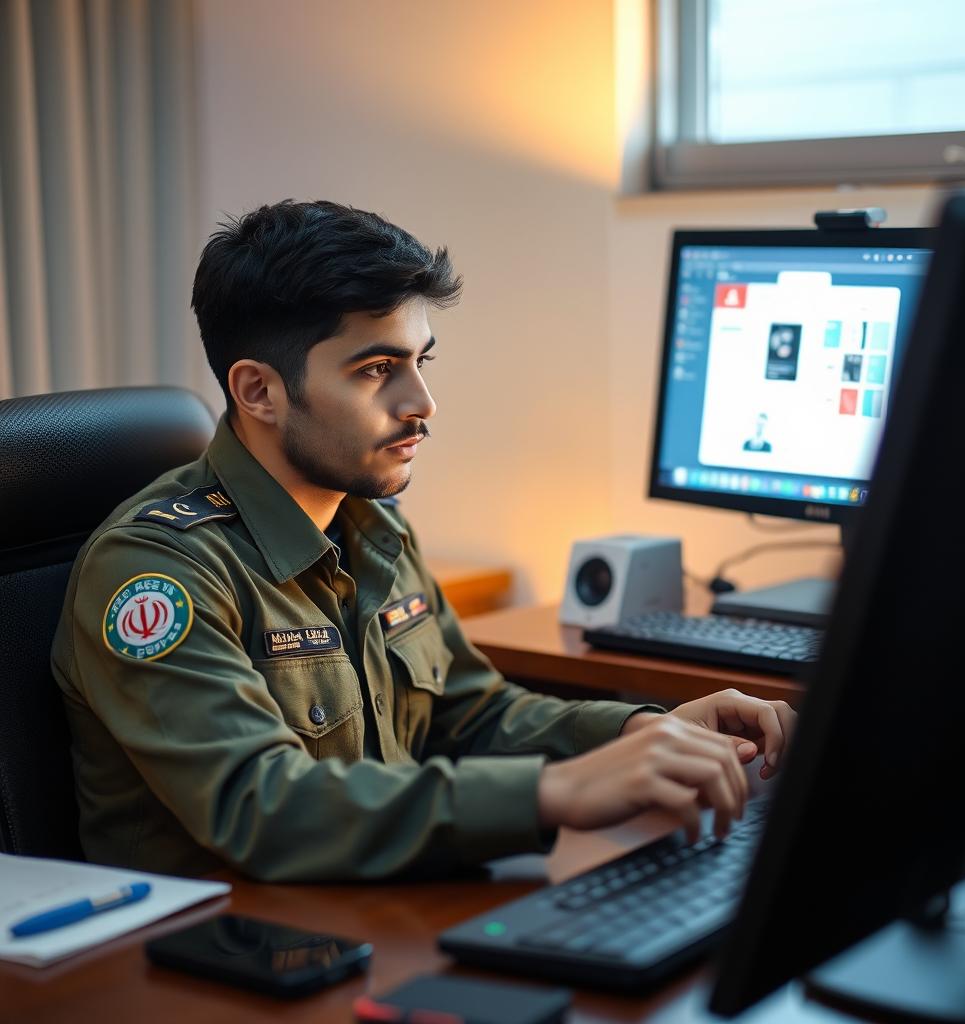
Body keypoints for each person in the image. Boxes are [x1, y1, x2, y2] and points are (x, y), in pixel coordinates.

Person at [51, 201, 797, 882]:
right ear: (259, 392)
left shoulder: (370, 523)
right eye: (377, 370)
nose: (422, 404)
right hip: (213, 956)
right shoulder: (156, 573)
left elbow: (470, 716)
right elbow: (262, 805)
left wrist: (645, 732)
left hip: (364, 910)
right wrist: (555, 791)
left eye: (420, 360)